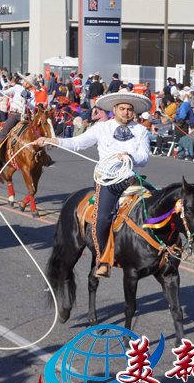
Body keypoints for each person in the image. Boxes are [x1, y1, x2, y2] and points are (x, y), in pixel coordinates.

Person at [35, 90, 152, 278]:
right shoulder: (101, 128)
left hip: (133, 181)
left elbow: (144, 158)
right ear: (115, 109)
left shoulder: (141, 130)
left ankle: (161, 252)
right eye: (122, 108)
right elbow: (77, 143)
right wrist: (52, 141)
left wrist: (130, 156)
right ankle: (103, 260)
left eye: (129, 109)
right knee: (102, 218)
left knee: (157, 207)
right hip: (108, 181)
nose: (126, 112)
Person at [0, 74, 35, 162]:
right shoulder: (17, 88)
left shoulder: (32, 93)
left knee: (35, 132)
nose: (26, 84)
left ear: (31, 85)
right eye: (25, 82)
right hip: (15, 114)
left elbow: (33, 107)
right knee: (4, 131)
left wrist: (27, 101)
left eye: (28, 83)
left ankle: (43, 156)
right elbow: (4, 93)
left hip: (25, 115)